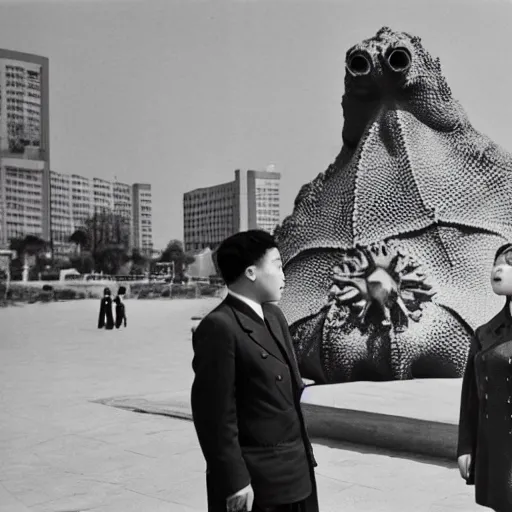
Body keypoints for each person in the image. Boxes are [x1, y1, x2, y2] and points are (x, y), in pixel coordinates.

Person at [190, 229, 319, 512]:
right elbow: (215, 416)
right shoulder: (220, 326)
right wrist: (234, 480)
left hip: (296, 470)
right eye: (276, 264)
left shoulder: (274, 316)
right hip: (258, 481)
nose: (284, 274)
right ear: (251, 272)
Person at [457, 242, 512, 512]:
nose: (499, 267)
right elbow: (471, 396)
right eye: (497, 261)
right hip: (498, 447)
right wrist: (465, 446)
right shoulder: (484, 333)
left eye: (510, 260)